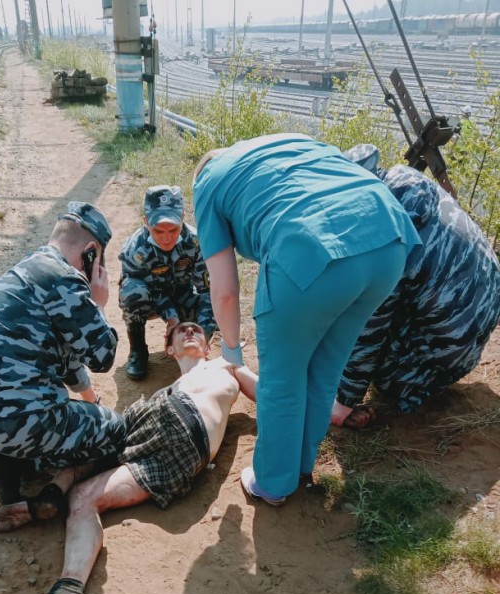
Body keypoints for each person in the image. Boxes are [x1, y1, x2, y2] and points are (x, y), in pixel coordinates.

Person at [0, 321, 258, 594]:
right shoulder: (169, 385)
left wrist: (330, 409)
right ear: (169, 350)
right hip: (143, 415)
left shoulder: (225, 366)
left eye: (196, 330)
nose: (190, 331)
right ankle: (65, 582)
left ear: (206, 346)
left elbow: (271, 397)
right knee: (85, 489)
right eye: (181, 331)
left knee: (95, 455)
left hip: (187, 434)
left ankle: (42, 494)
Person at [192, 133, 422, 506]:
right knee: (324, 367)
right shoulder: (287, 143)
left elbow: (225, 291)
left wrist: (231, 352)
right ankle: (300, 467)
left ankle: (273, 483)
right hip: (388, 238)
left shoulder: (207, 184)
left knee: (283, 377)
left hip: (312, 248)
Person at [0, 201, 127, 518]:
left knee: (80, 416)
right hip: (16, 421)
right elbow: (103, 356)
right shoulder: (67, 281)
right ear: (90, 253)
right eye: (98, 261)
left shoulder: (25, 272)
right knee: (116, 431)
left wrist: (89, 398)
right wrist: (99, 304)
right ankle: (14, 464)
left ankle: (7, 461)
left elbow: (65, 355)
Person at [331, 144, 500, 426]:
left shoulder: (387, 239)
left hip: (451, 348)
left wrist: (343, 400)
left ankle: (416, 384)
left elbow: (369, 331)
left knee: (386, 381)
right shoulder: (407, 177)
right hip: (483, 315)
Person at [118, 184, 216, 381]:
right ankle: (138, 350)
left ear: (182, 219)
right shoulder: (134, 249)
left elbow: (208, 292)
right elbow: (152, 290)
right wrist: (171, 318)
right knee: (133, 293)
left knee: (212, 307)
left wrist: (203, 334)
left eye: (173, 229)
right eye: (158, 230)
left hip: (182, 294)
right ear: (145, 222)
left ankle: (195, 351)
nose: (166, 237)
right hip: (151, 298)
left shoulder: (197, 243)